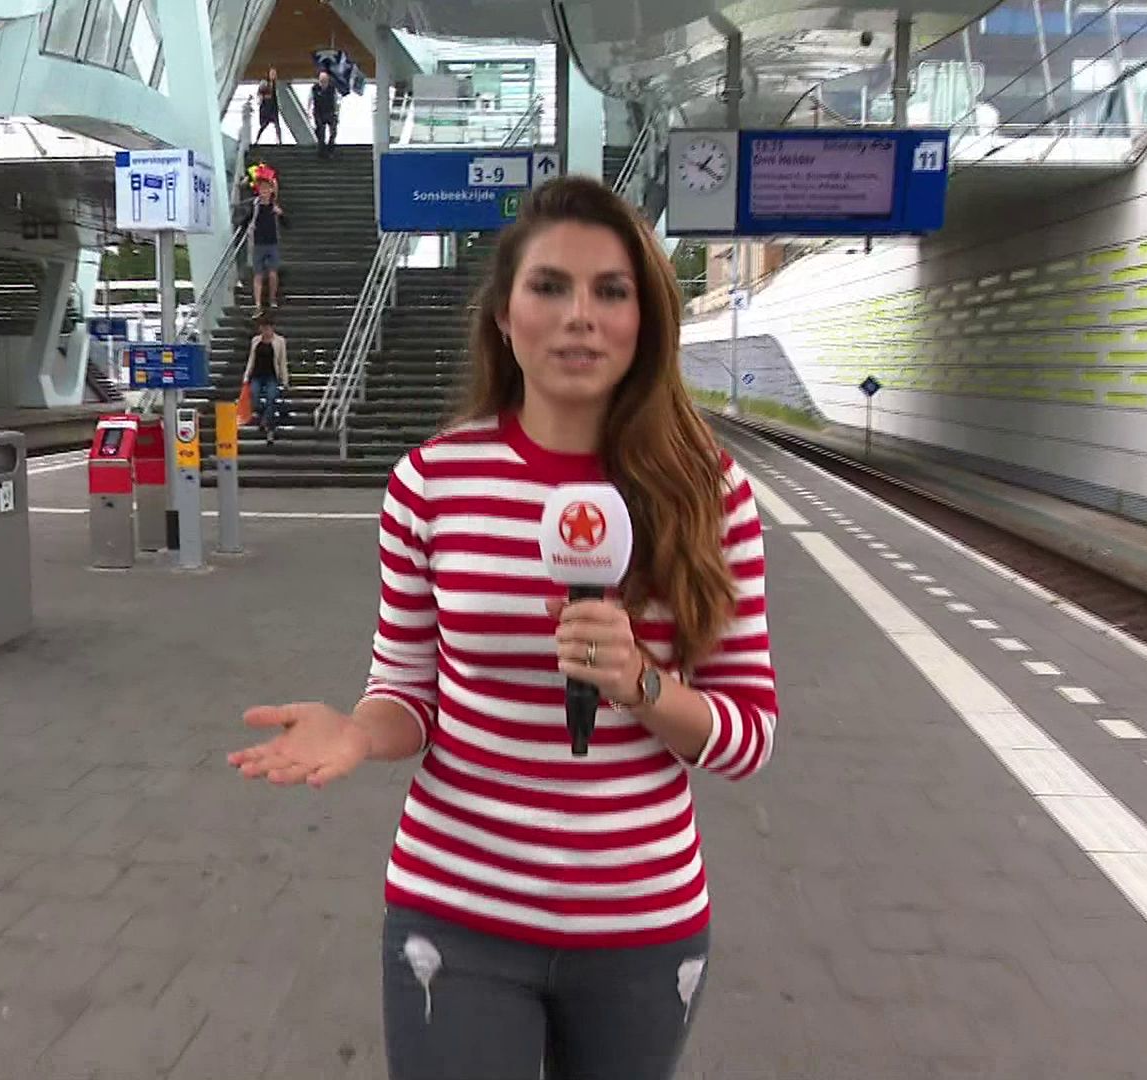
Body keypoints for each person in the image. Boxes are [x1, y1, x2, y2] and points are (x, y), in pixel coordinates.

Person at [228, 176, 780, 1080]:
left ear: (645, 321)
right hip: (454, 910)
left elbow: (749, 736)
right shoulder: (430, 484)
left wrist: (642, 683)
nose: (579, 316)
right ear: (503, 315)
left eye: (611, 291)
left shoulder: (710, 494)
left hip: (641, 923)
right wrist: (360, 731)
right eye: (550, 287)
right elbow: (408, 690)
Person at [242, 315, 289, 444]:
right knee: (255, 399)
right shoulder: (256, 340)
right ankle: (264, 418)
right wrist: (246, 376)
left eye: (268, 328)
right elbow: (251, 359)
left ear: (272, 328)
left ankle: (269, 428)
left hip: (271, 375)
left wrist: (285, 380)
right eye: (263, 328)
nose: (266, 331)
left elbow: (282, 361)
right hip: (257, 374)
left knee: (271, 399)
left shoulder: (279, 341)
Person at [246, 179, 285, 310]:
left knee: (273, 273)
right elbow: (246, 219)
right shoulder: (255, 206)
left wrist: (281, 214)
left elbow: (287, 224)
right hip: (258, 244)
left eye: (267, 189)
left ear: (271, 190)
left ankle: (272, 299)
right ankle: (258, 303)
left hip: (272, 243)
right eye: (262, 189)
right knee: (258, 274)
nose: (264, 192)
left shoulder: (274, 207)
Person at [310, 68, 339, 158]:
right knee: (320, 131)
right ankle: (321, 151)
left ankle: (330, 148)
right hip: (318, 112)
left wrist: (336, 113)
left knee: (333, 131)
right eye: (321, 81)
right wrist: (309, 112)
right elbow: (310, 100)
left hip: (330, 111)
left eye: (325, 81)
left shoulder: (332, 89)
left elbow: (336, 101)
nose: (323, 83)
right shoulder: (314, 89)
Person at [256, 67, 283, 144]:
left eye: (274, 74)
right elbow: (260, 94)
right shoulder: (264, 82)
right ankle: (257, 140)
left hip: (274, 107)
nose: (274, 75)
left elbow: (277, 96)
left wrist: (279, 106)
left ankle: (279, 141)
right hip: (266, 107)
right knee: (263, 125)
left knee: (277, 126)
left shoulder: (275, 84)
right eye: (272, 74)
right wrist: (262, 99)